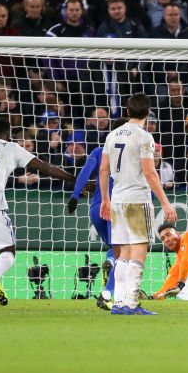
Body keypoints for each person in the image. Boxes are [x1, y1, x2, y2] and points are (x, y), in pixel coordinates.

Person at [0, 117, 75, 311]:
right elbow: (45, 167)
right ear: (9, 135)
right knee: (7, 251)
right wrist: (73, 179)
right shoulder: (12, 148)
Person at [98, 93, 178, 315]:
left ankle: (118, 303)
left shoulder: (112, 135)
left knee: (123, 252)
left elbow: (103, 170)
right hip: (137, 199)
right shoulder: (144, 137)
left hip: (117, 200)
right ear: (147, 114)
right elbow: (150, 172)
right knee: (139, 250)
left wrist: (105, 198)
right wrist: (166, 202)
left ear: (127, 111)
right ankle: (131, 303)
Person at [67, 117, 128, 311]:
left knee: (114, 247)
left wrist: (75, 196)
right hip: (118, 207)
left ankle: (111, 264)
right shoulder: (133, 153)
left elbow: (84, 173)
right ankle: (108, 294)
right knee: (124, 253)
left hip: (97, 209)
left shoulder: (98, 151)